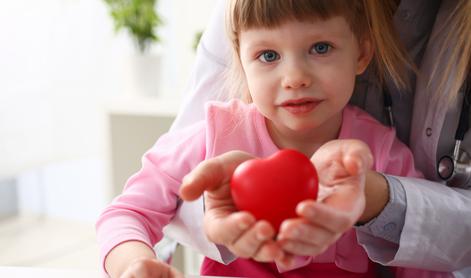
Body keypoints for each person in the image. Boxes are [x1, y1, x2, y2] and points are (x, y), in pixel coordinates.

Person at [96, 0, 443, 277]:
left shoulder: (380, 154)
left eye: (320, 48)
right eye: (268, 56)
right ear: (241, 59)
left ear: (362, 53)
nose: (294, 77)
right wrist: (133, 265)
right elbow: (126, 212)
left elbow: (425, 261)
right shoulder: (215, 134)